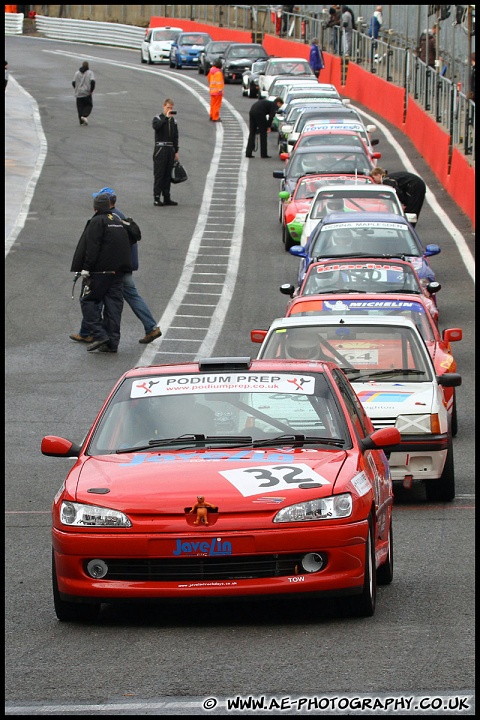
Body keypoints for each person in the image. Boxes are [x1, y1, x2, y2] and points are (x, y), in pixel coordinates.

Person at [70, 188, 162, 346]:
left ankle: (91, 333)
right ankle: (87, 332)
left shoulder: (108, 218)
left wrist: (89, 266)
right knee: (120, 298)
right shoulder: (119, 216)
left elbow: (97, 245)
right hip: (123, 265)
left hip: (115, 268)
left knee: (96, 297)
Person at [70, 193, 133, 353]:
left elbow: (92, 247)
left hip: (99, 273)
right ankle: (112, 343)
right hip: (118, 272)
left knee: (87, 301)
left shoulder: (97, 221)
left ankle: (99, 335)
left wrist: (86, 268)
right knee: (113, 306)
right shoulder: (118, 221)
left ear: (95, 207)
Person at [152, 98, 179, 207]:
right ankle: (157, 197)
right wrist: (165, 118)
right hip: (160, 149)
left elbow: (176, 136)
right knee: (159, 174)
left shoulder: (173, 121)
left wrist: (176, 151)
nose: (170, 110)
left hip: (170, 149)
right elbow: (156, 127)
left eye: (171, 108)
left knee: (168, 175)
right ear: (164, 106)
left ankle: (167, 197)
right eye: (168, 107)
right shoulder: (157, 118)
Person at [72, 60, 95, 126]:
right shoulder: (90, 73)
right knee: (89, 105)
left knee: (80, 107)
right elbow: (93, 82)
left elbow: (73, 82)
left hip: (78, 92)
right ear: (88, 66)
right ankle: (84, 115)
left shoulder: (77, 73)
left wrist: (76, 89)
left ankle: (81, 121)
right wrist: (91, 90)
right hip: (86, 92)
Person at [207, 58, 224, 122]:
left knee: (212, 104)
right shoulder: (218, 73)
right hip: (217, 92)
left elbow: (209, 79)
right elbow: (219, 82)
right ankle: (215, 117)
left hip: (212, 90)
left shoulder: (211, 71)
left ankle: (211, 115)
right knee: (217, 105)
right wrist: (220, 90)